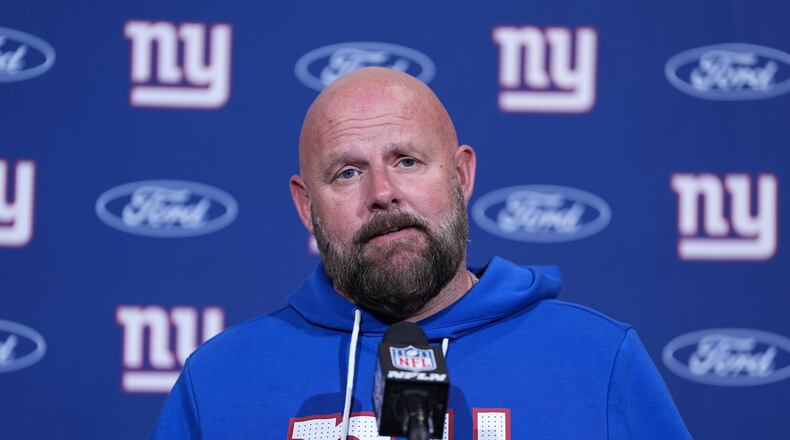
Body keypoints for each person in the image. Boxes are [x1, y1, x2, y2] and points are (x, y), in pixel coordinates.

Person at [149, 67, 692, 439]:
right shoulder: (221, 380)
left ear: (460, 176)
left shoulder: (596, 361)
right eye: (347, 172)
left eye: (406, 160)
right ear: (305, 205)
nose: (382, 191)